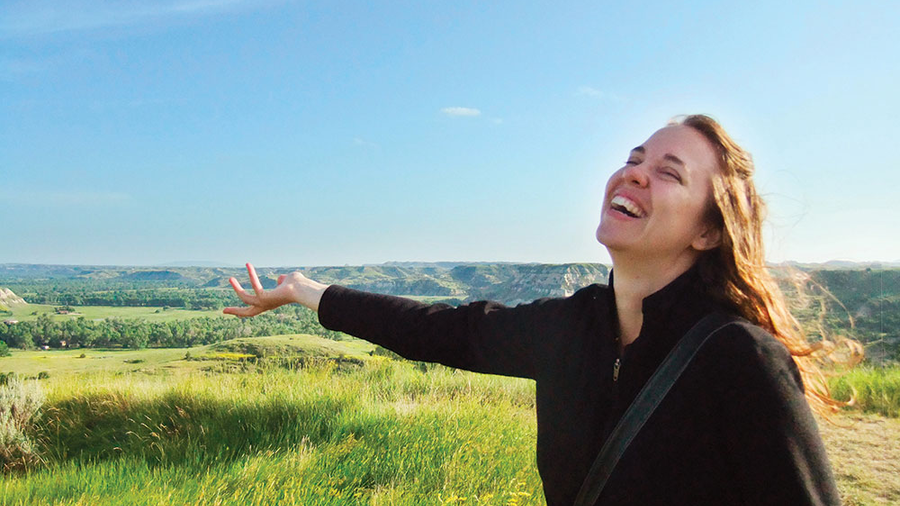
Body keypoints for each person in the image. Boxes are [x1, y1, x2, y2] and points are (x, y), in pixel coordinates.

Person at [224, 115, 843, 505]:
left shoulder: (740, 359)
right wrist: (306, 292)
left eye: (668, 173)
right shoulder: (573, 327)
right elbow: (439, 331)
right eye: (633, 159)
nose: (634, 175)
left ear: (708, 232)